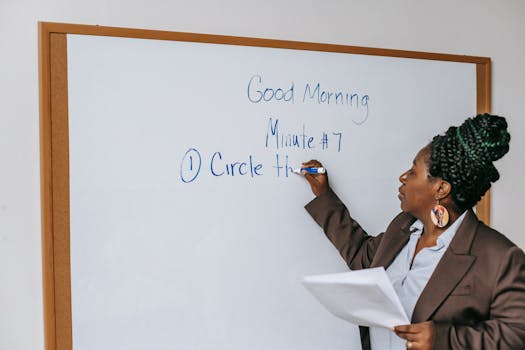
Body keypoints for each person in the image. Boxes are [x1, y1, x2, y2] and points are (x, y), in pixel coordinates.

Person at [301, 113, 525, 350]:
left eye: (413, 171)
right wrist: (324, 196)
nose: (403, 177)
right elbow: (363, 256)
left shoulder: (499, 257)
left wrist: (444, 340)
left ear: (441, 188)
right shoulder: (403, 228)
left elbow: (518, 333)